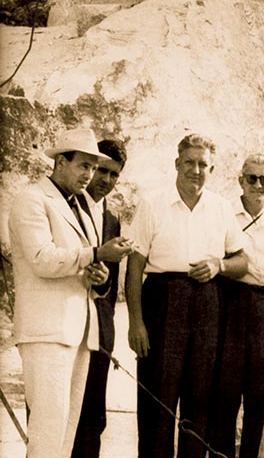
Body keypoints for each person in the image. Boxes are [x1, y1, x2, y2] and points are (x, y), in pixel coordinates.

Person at [8, 128, 133, 458]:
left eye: (94, 168)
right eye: (84, 166)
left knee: (66, 434)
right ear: (60, 162)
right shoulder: (32, 199)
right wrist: (94, 254)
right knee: (47, 435)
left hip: (79, 333)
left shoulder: (81, 207)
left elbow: (81, 262)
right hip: (46, 331)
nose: (89, 175)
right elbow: (41, 259)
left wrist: (98, 271)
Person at [125, 133, 248, 458]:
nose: (196, 170)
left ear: (212, 168)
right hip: (162, 302)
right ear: (177, 164)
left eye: (203, 164)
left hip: (207, 304)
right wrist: (135, 321)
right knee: (157, 400)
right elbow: (135, 265)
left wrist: (219, 265)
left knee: (200, 400)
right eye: (190, 163)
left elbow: (242, 261)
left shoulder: (221, 208)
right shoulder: (153, 204)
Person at [210, 153, 264, 458]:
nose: (258, 185)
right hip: (230, 306)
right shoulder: (222, 215)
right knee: (224, 400)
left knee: (260, 404)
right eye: (252, 178)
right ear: (240, 180)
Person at [71, 138, 128, 458]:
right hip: (64, 327)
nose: (106, 180)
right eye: (101, 170)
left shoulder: (112, 219)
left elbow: (110, 286)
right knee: (58, 416)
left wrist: (103, 281)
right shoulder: (64, 206)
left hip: (99, 331)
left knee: (93, 418)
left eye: (114, 174)